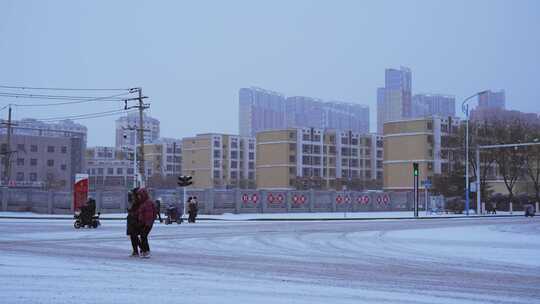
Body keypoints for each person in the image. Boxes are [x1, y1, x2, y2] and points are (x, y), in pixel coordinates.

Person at [136, 188, 157, 258]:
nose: (138, 196)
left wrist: (147, 223)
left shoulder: (147, 203)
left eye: (139, 195)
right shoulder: (143, 202)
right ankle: (144, 250)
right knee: (143, 236)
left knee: (143, 236)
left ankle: (146, 251)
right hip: (143, 222)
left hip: (147, 223)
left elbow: (150, 215)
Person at [126, 188, 141, 257]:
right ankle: (139, 250)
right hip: (132, 220)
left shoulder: (137, 201)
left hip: (134, 220)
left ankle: (137, 250)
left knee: (134, 236)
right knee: (134, 236)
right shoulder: (135, 201)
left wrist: (131, 212)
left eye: (131, 194)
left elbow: (135, 211)